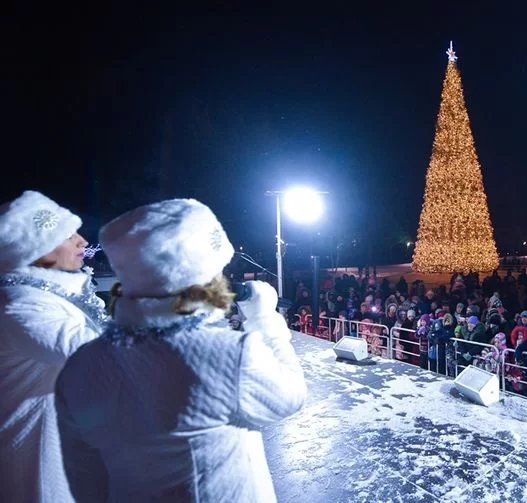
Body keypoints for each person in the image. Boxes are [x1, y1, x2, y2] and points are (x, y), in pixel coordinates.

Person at [54, 199, 307, 502]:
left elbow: (83, 474)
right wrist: (264, 317)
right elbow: (290, 395)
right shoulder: (228, 354)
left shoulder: (82, 363)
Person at [0, 190, 107, 502]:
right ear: (34, 249)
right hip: (38, 456)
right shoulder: (20, 305)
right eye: (67, 234)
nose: (82, 243)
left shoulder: (54, 296)